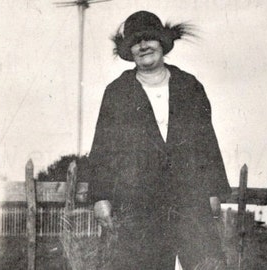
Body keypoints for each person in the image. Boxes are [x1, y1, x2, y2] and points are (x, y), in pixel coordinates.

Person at [89, 10, 231, 270]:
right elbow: (102, 149)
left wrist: (213, 191)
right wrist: (100, 197)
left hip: (189, 199)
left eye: (149, 39)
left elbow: (206, 142)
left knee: (203, 262)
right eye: (135, 41)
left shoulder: (190, 87)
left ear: (162, 43)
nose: (143, 46)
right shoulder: (117, 93)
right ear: (129, 50)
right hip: (138, 204)